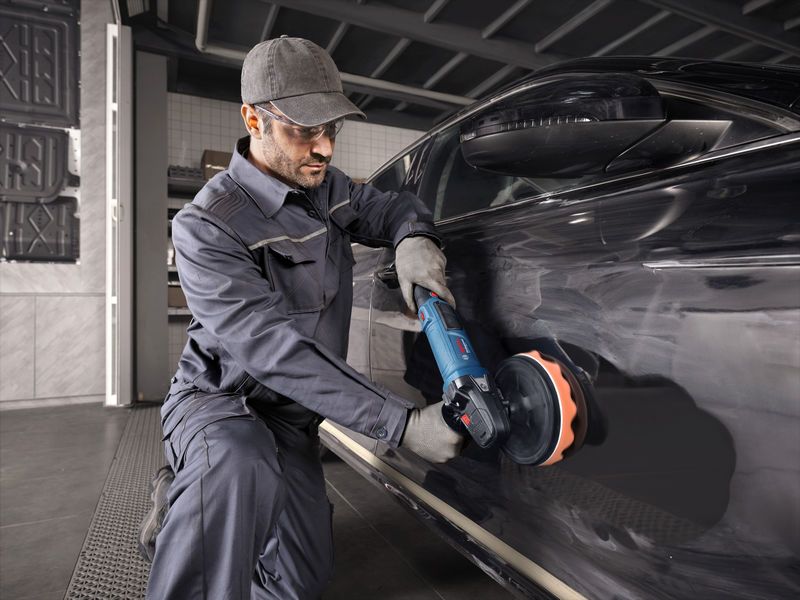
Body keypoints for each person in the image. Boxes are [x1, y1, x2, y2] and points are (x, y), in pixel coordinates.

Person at [143, 36, 463, 600]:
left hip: (291, 423)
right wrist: (403, 426)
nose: (324, 148)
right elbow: (270, 349)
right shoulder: (207, 226)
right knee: (236, 465)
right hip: (220, 405)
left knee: (298, 586)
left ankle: (198, 506)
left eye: (332, 129)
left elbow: (386, 207)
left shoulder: (325, 188)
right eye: (304, 129)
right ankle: (189, 495)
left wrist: (412, 236)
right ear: (253, 119)